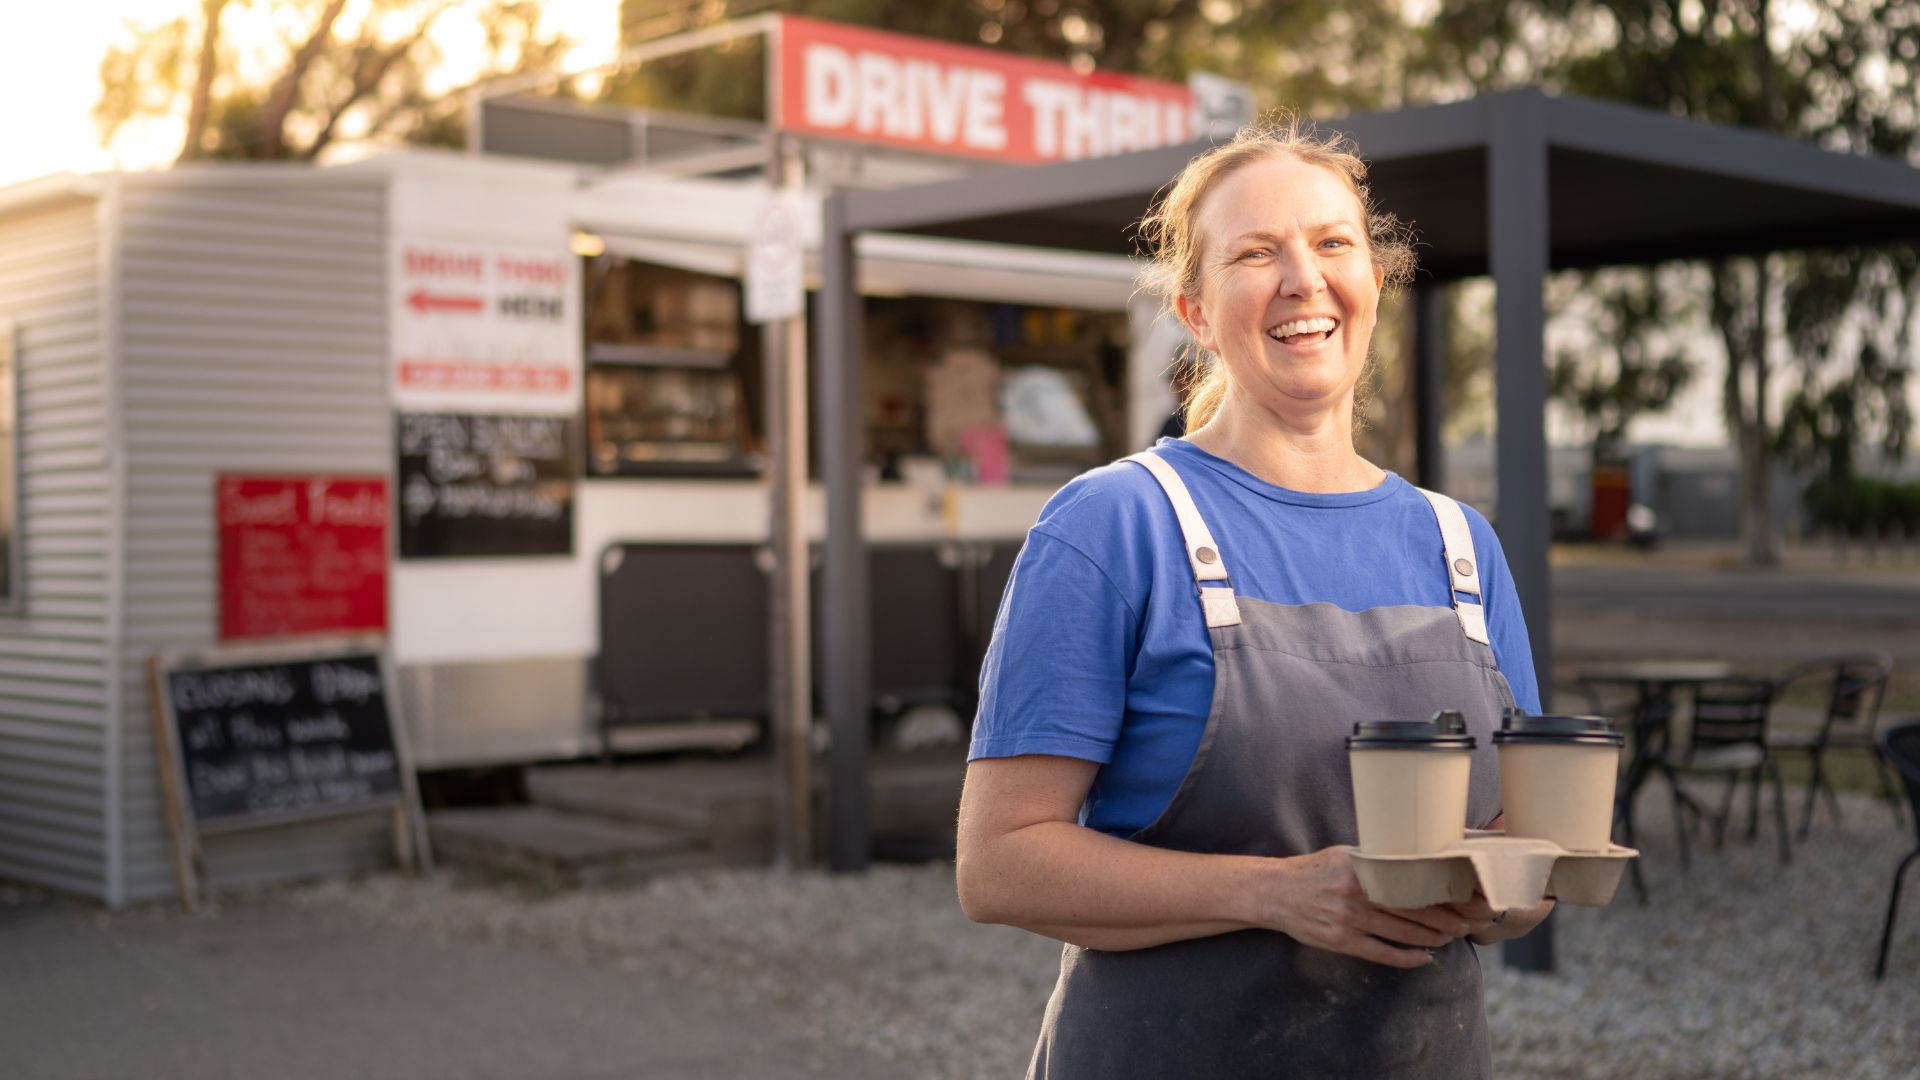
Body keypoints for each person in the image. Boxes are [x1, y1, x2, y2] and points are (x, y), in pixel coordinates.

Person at [955, 117, 1552, 1078]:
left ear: (1375, 280)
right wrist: (1277, 894)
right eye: (1256, 253)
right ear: (1194, 310)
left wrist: (1504, 890)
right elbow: (998, 864)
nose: (1302, 279)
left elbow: (1524, 876)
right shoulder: (1116, 525)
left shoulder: (1459, 547)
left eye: (1331, 243)